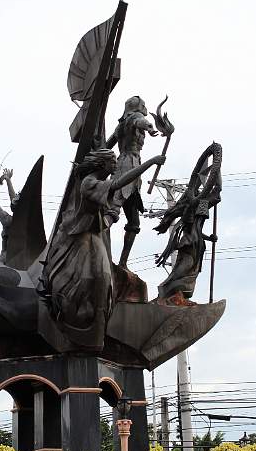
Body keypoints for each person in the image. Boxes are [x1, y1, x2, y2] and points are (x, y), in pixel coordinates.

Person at [40, 148, 166, 347]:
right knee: (89, 278)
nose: (116, 164)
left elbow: (103, 214)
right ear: (102, 164)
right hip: (78, 239)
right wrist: (150, 162)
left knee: (104, 278)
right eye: (112, 161)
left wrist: (110, 217)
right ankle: (77, 319)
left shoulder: (96, 184)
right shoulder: (89, 182)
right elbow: (117, 184)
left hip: (93, 235)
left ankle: (97, 326)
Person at [106, 96, 159, 268]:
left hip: (133, 168)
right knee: (113, 210)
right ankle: (96, 247)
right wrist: (151, 128)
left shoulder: (119, 126)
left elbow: (106, 146)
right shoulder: (134, 118)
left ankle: (122, 263)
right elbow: (141, 122)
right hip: (127, 166)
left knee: (133, 220)